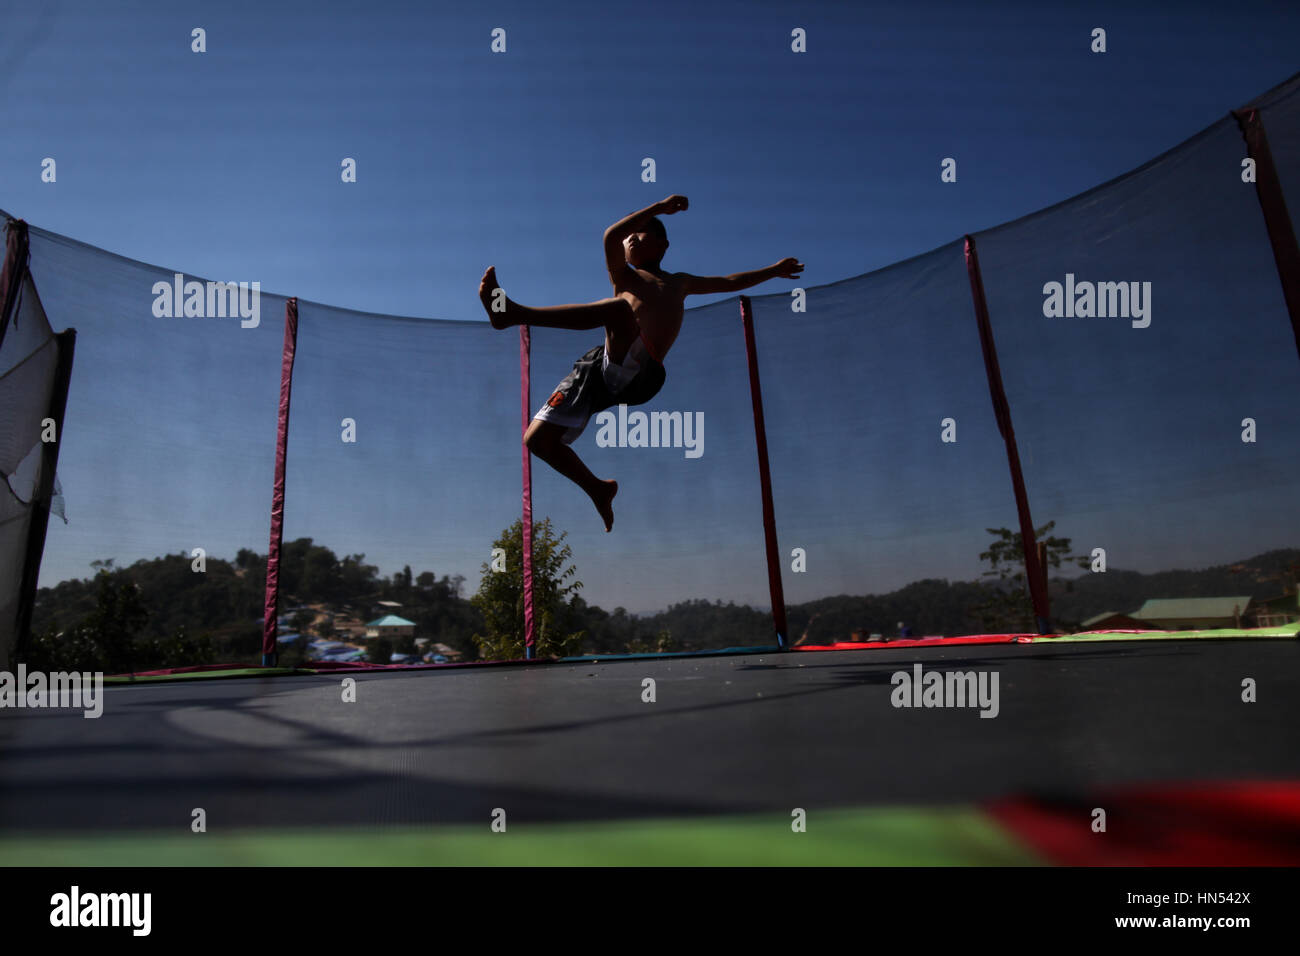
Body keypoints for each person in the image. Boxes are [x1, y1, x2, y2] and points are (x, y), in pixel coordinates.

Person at [479, 195, 802, 531]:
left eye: (642, 232)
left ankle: (512, 314)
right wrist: (655, 208)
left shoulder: (679, 282)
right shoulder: (623, 277)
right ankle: (599, 489)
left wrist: (774, 271)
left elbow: (730, 281)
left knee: (619, 310)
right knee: (537, 440)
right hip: (600, 370)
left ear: (663, 245)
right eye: (629, 234)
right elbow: (610, 237)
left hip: (643, 376)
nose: (631, 237)